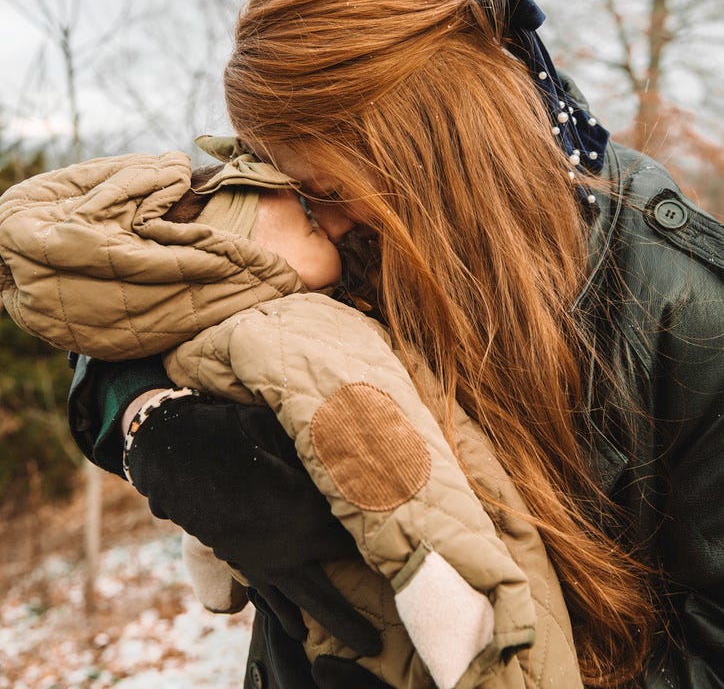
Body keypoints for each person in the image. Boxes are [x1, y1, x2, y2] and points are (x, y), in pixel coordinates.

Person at [63, 0, 721, 689]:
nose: (317, 223)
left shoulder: (681, 303)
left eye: (325, 190)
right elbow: (118, 287)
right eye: (289, 187)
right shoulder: (320, 209)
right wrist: (148, 421)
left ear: (420, 153)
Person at [0, 141, 584, 688]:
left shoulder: (218, 331)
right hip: (457, 606)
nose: (323, 213)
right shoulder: (289, 322)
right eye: (301, 202)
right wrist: (454, 594)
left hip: (387, 614)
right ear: (213, 248)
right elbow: (374, 447)